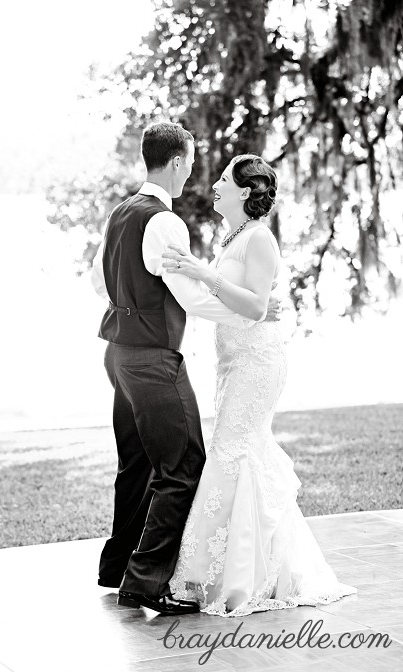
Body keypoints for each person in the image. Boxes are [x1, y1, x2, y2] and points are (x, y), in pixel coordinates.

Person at [91, 121, 282, 615]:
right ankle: (144, 580)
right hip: (153, 357)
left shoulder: (120, 213)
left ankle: (116, 567)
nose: (196, 174)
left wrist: (130, 300)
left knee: (135, 464)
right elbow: (191, 298)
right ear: (176, 162)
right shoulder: (165, 221)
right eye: (193, 164)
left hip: (118, 352)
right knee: (183, 468)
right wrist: (247, 311)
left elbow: (99, 281)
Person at [160, 155, 356, 616]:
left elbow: (253, 306)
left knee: (233, 454)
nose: (216, 186)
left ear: (246, 193)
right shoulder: (232, 238)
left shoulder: (260, 238)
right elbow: (243, 300)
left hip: (256, 362)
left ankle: (215, 580)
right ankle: (264, 568)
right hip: (233, 362)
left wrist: (202, 273)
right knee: (245, 454)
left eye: (225, 181)